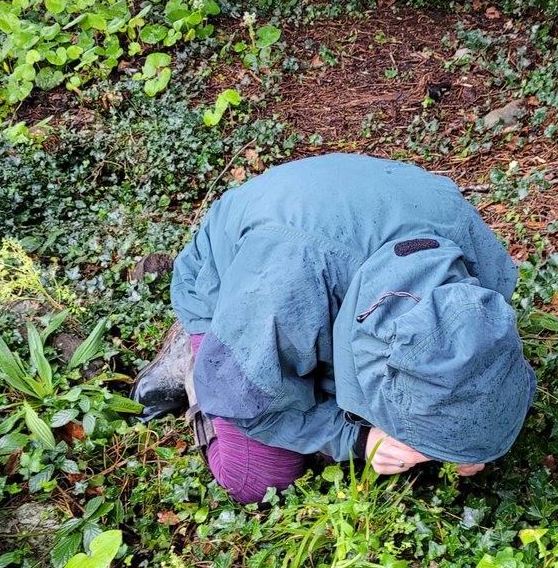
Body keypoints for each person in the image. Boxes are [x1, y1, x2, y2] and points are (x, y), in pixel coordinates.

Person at [132, 153, 536, 504]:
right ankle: (197, 357)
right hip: (245, 283)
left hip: (326, 248)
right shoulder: (282, 286)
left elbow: (474, 354)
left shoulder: (480, 275)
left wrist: (467, 438)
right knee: (257, 479)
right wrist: (358, 439)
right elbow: (252, 411)